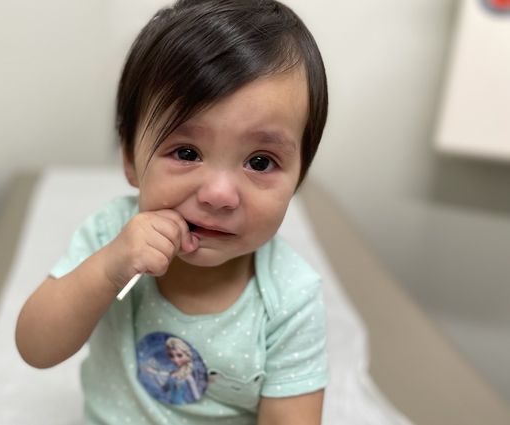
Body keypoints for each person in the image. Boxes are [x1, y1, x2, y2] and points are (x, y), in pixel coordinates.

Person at [16, 0, 329, 423]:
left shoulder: (290, 299)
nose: (219, 195)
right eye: (186, 152)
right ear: (130, 158)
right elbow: (36, 347)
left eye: (260, 162)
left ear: (299, 176)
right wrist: (109, 269)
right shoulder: (112, 234)